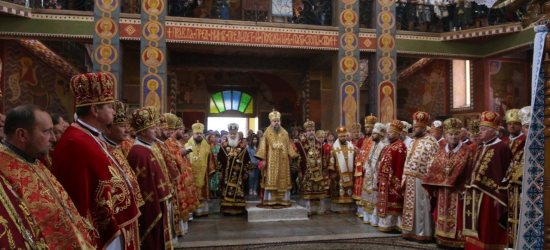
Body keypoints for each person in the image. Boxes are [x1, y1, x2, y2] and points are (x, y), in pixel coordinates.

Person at [51, 73, 140, 249]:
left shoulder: (90, 137)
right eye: (109, 106)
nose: (113, 111)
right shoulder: (75, 142)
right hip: (101, 233)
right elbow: (77, 196)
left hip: (115, 223)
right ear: (95, 110)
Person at [1, 104, 95, 249]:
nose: (53, 138)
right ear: (22, 135)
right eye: (46, 132)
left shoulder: (34, 160)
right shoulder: (3, 169)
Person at [127, 106, 173, 249]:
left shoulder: (148, 148)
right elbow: (145, 185)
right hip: (152, 206)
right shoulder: (139, 152)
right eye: (153, 129)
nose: (156, 131)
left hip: (160, 201)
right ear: (144, 131)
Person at [463, 111, 511, 249]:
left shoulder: (502, 147)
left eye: (483, 129)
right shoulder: (480, 147)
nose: (480, 132)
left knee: (486, 226)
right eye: (480, 129)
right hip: (474, 193)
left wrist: (501, 195)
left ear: (493, 131)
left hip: (490, 195)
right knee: (475, 225)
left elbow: (506, 173)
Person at [101, 100, 144, 249]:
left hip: (127, 215)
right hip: (115, 220)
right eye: (122, 126)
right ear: (108, 129)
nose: (127, 130)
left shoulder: (116, 149)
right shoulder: (102, 151)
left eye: (127, 126)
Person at [423, 118, 472, 248]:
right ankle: (442, 238)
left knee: (458, 216)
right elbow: (434, 167)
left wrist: (463, 188)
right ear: (445, 135)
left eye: (456, 134)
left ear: (460, 135)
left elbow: (470, 171)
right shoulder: (440, 149)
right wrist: (432, 185)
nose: (454, 137)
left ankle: (457, 241)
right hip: (442, 191)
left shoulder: (467, 151)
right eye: (450, 134)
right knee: (441, 214)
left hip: (458, 191)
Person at [401, 111, 439, 242]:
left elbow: (434, 163)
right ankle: (410, 231)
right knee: (411, 208)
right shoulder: (412, 142)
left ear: (423, 127)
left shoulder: (432, 142)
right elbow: (407, 160)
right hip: (410, 179)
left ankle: (424, 233)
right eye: (413, 126)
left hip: (422, 180)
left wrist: (429, 182)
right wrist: (404, 177)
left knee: (422, 207)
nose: (413, 128)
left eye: (416, 127)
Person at [254, 110, 299, 207]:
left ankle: (283, 200)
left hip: (283, 161)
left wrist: (292, 155)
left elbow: (288, 146)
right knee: (272, 180)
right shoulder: (267, 133)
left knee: (282, 180)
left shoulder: (285, 133)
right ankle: (270, 200)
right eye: (274, 121)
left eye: (278, 120)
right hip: (271, 161)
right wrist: (263, 159)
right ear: (271, 122)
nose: (276, 122)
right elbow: (263, 147)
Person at [165, 115, 198, 235]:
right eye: (180, 129)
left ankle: (183, 227)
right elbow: (171, 157)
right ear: (173, 129)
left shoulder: (176, 142)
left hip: (183, 176)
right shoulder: (168, 142)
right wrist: (182, 152)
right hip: (177, 177)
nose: (182, 131)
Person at [502, 107, 529, 248]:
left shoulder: (525, 140)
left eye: (516, 124)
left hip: (520, 184)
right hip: (506, 184)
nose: (512, 126)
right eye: (509, 124)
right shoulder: (504, 141)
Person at [377, 120, 407, 232]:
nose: (388, 133)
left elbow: (400, 166)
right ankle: (386, 224)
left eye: (391, 132)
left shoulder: (400, 146)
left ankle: (394, 224)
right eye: (388, 131)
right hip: (384, 180)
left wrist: (397, 182)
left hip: (392, 181)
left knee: (393, 203)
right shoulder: (389, 146)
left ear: (398, 134)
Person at [217, 123, 252, 214]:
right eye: (231, 134)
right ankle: (226, 208)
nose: (232, 135)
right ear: (229, 134)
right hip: (226, 173)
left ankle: (238, 209)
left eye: (234, 134)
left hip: (239, 174)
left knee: (238, 189)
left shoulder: (242, 147)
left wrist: (246, 172)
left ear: (237, 135)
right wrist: (219, 172)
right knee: (226, 188)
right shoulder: (223, 146)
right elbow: (219, 160)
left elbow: (246, 160)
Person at [296, 120, 327, 215]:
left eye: (313, 130)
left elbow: (323, 157)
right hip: (307, 172)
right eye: (309, 130)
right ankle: (309, 209)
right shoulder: (301, 143)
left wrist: (324, 169)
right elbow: (298, 158)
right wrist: (299, 171)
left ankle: (319, 208)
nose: (311, 132)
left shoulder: (319, 143)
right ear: (306, 132)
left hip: (319, 172)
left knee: (318, 190)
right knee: (308, 191)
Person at [360, 122, 389, 226]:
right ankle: (368, 218)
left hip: (376, 174)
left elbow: (383, 162)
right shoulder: (373, 144)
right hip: (369, 173)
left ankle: (375, 219)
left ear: (380, 135)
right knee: (368, 195)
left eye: (374, 134)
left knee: (375, 197)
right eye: (372, 133)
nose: (372, 135)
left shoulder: (384, 146)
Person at [185, 121, 216, 216]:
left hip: (204, 174)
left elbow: (211, 160)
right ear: (193, 134)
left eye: (200, 133)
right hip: (191, 174)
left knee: (203, 193)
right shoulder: (187, 146)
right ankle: (193, 211)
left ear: (203, 134)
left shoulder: (207, 147)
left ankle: (202, 211)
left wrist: (211, 172)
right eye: (197, 133)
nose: (199, 135)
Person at [328, 126, 356, 213]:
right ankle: (339, 208)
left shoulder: (352, 147)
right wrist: (332, 171)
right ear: (339, 137)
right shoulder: (334, 147)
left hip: (350, 172)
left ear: (346, 137)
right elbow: (331, 159)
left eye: (344, 136)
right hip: (338, 173)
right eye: (341, 136)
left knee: (349, 191)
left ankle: (349, 207)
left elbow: (355, 158)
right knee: (339, 190)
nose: (343, 138)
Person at [354, 114, 377, 217]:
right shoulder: (366, 139)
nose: (366, 129)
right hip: (362, 169)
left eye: (368, 127)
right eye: (366, 127)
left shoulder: (374, 140)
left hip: (368, 169)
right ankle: (362, 211)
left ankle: (368, 213)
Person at [207, 133, 220, 199]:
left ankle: (215, 192)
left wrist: (217, 155)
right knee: (211, 178)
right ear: (209, 138)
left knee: (216, 178)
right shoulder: (207, 146)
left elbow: (220, 155)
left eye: (214, 137)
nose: (213, 138)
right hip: (210, 163)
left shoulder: (218, 146)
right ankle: (210, 193)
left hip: (216, 163)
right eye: (211, 137)